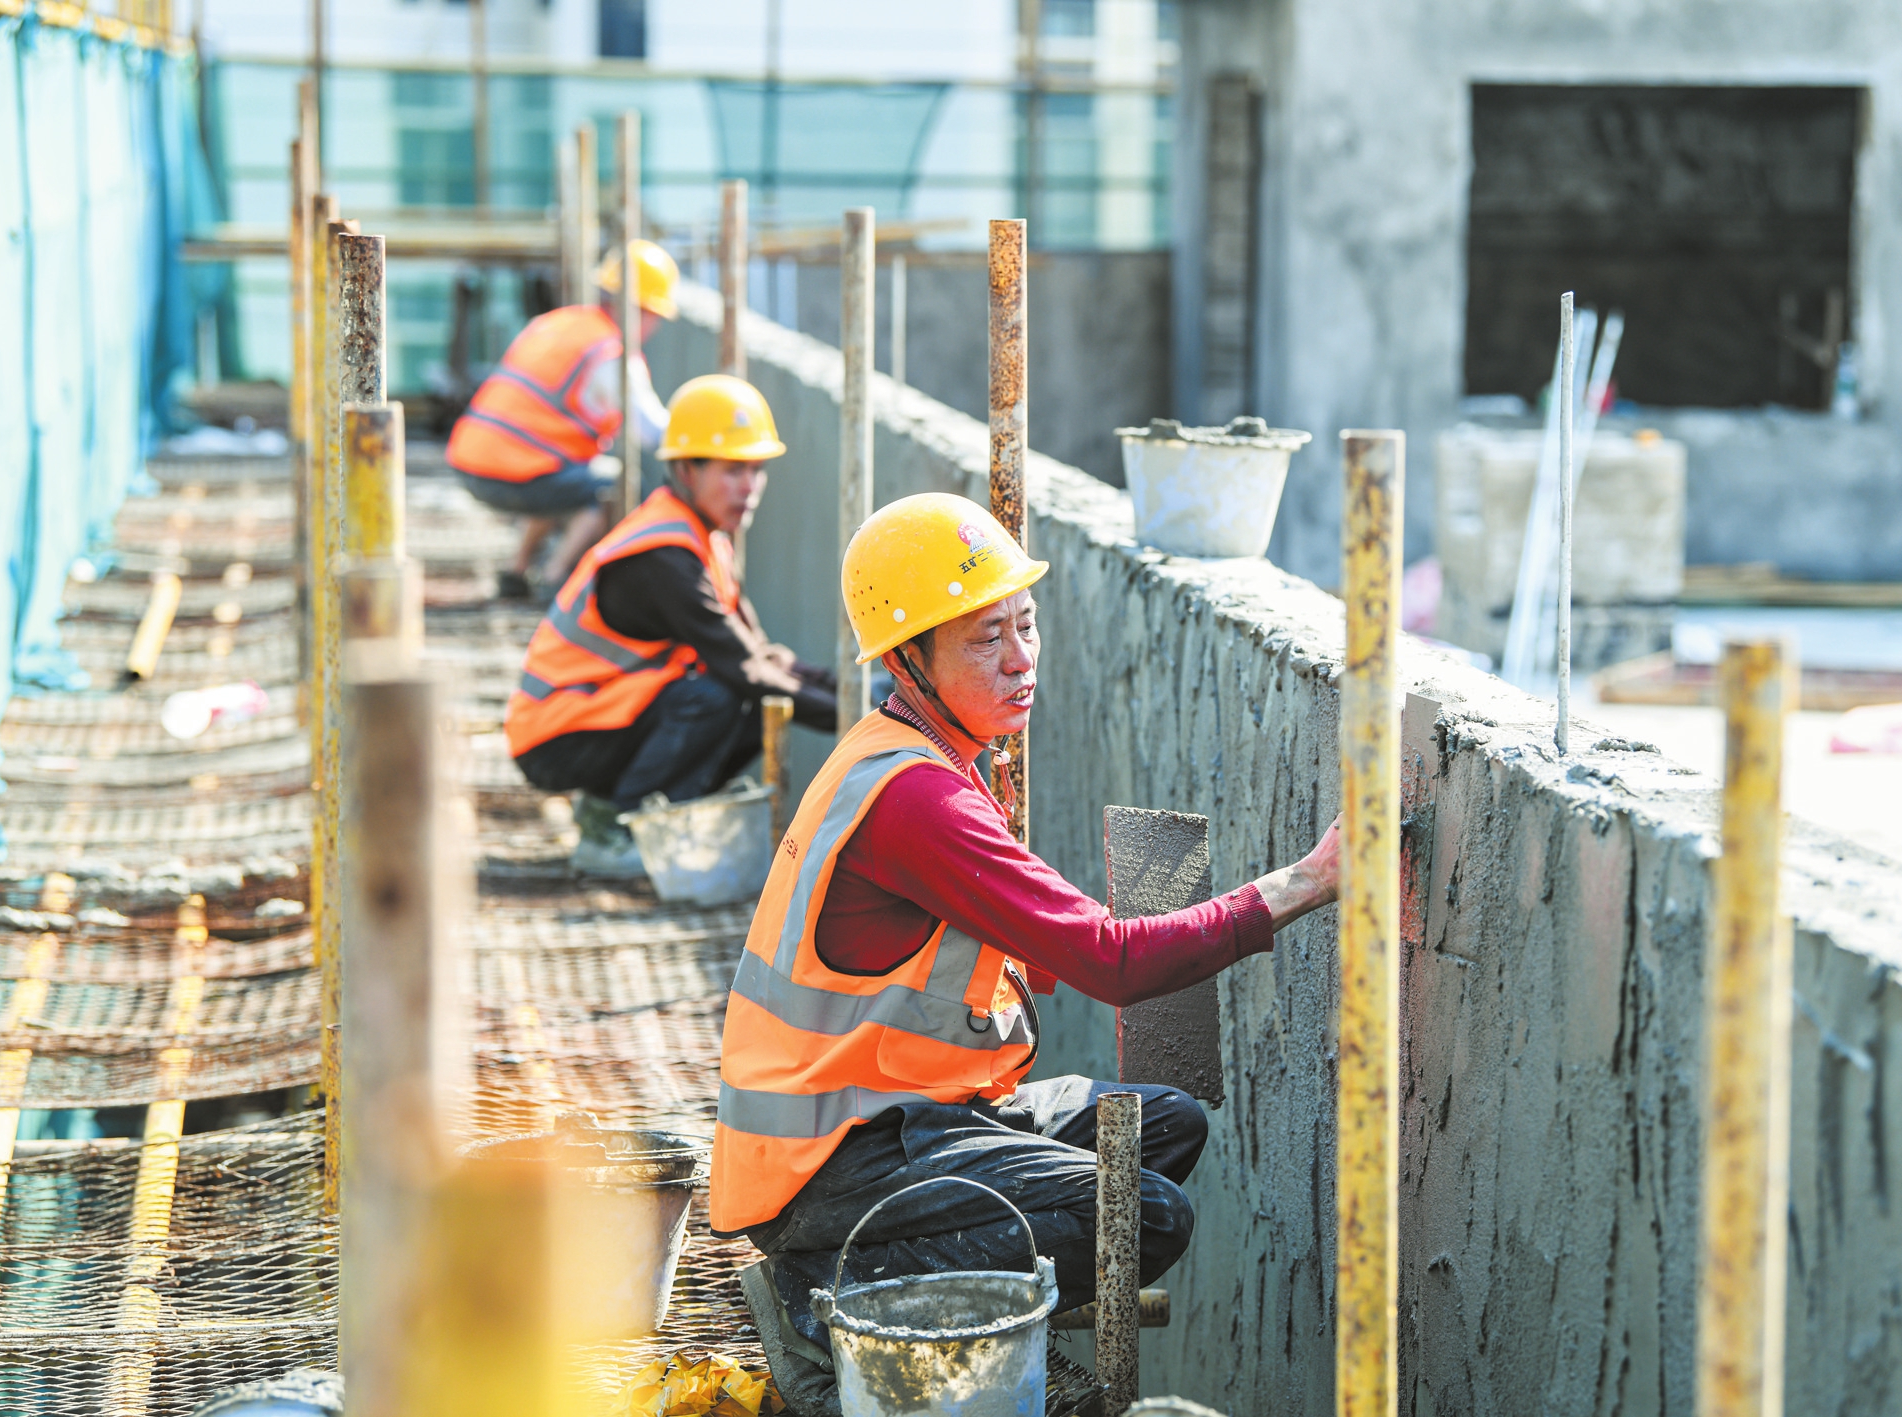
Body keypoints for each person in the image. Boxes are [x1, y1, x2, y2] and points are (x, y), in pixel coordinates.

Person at [712, 492, 1342, 1414]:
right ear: (905, 660)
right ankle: (830, 1303)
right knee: (1144, 1214)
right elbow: (1115, 964)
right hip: (829, 1166)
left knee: (1165, 1125)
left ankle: (913, 1290)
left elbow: (1033, 947)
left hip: (901, 1113)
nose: (1020, 659)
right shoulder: (917, 801)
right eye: (982, 640)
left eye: (1026, 624)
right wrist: (1308, 881)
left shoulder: (914, 755)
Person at [504, 374, 838, 876]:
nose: (749, 488)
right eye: (732, 471)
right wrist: (855, 718)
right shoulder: (664, 556)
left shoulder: (705, 539)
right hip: (555, 737)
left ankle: (631, 820)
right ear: (686, 469)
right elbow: (745, 669)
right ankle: (619, 830)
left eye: (756, 470)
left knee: (757, 707)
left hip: (595, 722)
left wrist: (861, 693)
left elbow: (763, 655)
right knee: (720, 695)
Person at [445, 238, 678, 601]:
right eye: (655, 317)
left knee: (565, 472)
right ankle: (554, 578)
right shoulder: (611, 355)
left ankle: (516, 571)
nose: (655, 328)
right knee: (615, 486)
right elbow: (652, 433)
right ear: (641, 310)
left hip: (470, 461)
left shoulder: (560, 323)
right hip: (511, 475)